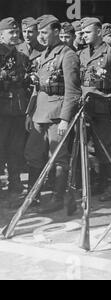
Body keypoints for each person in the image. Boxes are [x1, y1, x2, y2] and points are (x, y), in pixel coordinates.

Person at [24, 15, 81, 213]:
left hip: (57, 114)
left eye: (44, 32)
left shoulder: (67, 55)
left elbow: (73, 91)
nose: (40, 37)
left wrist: (66, 118)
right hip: (40, 111)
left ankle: (58, 198)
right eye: (39, 32)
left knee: (58, 157)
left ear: (56, 32)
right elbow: (37, 87)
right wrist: (30, 113)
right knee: (33, 155)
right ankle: (33, 196)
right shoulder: (44, 54)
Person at [79, 17, 111, 202]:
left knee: (104, 147)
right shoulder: (81, 54)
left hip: (104, 108)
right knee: (90, 148)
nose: (84, 36)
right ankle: (98, 182)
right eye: (82, 33)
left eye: (87, 32)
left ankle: (110, 185)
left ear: (98, 32)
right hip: (86, 109)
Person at [0, 17, 31, 208]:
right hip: (1, 112)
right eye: (10, 32)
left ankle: (15, 185)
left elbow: (25, 82)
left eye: (16, 32)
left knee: (16, 149)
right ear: (0, 34)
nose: (15, 35)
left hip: (17, 111)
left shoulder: (21, 56)